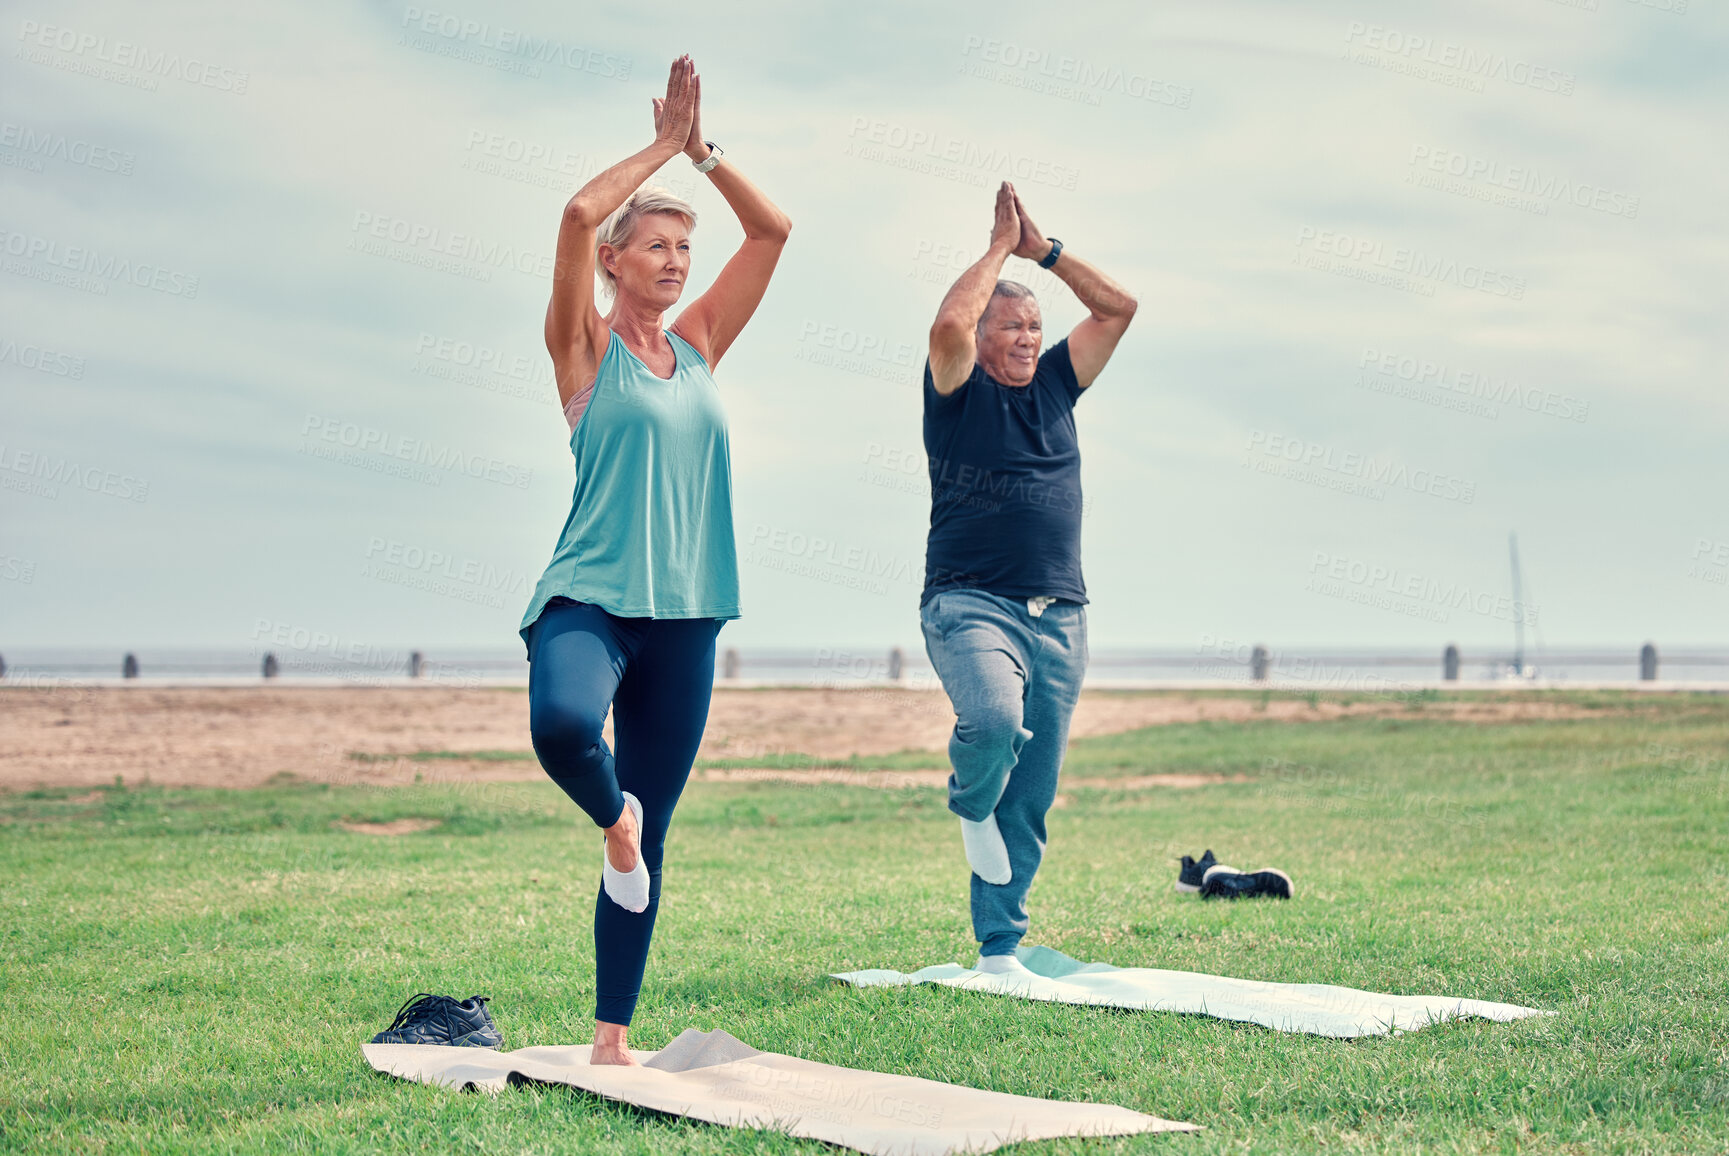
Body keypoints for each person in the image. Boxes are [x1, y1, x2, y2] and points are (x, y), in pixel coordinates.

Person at [519, 55, 790, 1065]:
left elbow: (774, 232)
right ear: (617, 262)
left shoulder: (704, 342)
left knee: (654, 835)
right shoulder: (583, 347)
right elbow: (576, 213)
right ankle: (610, 815)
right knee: (559, 726)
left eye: (685, 246)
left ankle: (609, 1039)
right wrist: (661, 148)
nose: (676, 261)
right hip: (588, 598)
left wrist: (705, 154)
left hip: (687, 615)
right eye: (657, 246)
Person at [919, 181, 1136, 976]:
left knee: (1034, 793)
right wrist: (994, 252)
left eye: (1033, 326)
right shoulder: (954, 391)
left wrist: (1043, 252)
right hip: (970, 603)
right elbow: (948, 322)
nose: (1024, 337)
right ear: (981, 335)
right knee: (991, 722)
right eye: (1009, 325)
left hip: (1062, 614)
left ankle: (999, 949)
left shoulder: (1055, 384)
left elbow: (1118, 308)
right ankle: (968, 801)